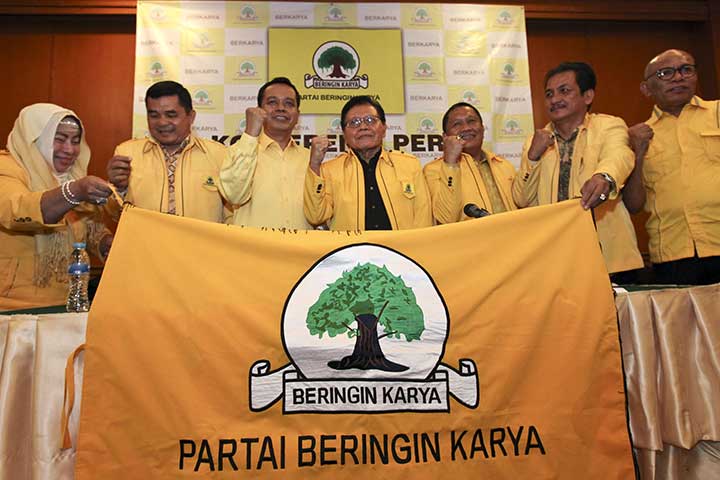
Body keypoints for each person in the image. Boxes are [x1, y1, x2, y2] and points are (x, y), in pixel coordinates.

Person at [512, 62, 643, 279]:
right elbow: (521, 199)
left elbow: (619, 155)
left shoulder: (608, 126)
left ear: (588, 96)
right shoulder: (535, 141)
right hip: (556, 260)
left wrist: (604, 177)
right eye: (549, 94)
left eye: (564, 91)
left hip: (609, 260)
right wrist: (533, 157)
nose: (554, 99)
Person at [0, 103, 113, 311]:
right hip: (12, 308)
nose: (69, 150)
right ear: (35, 140)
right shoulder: (6, 168)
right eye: (59, 139)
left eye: (75, 141)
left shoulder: (72, 176)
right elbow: (16, 210)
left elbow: (87, 226)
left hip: (67, 302)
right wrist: (73, 192)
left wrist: (105, 243)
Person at [624, 49, 720, 285]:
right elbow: (633, 205)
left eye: (686, 70)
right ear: (646, 89)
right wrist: (637, 153)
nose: (678, 77)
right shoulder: (639, 135)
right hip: (673, 255)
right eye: (665, 73)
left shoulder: (717, 113)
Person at [106, 81, 228, 222]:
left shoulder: (219, 155)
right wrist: (119, 188)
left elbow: (232, 215)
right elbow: (114, 215)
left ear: (191, 116)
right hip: (145, 237)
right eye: (154, 115)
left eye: (171, 115)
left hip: (200, 238)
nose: (162, 122)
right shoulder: (127, 153)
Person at [304, 96, 432, 230]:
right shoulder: (330, 170)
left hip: (400, 244)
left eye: (370, 120)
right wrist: (315, 164)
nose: (363, 127)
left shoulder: (409, 165)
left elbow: (423, 219)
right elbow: (316, 216)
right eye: (354, 122)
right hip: (352, 244)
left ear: (384, 128)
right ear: (344, 134)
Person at [219, 77, 325, 229]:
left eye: (289, 104)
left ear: (297, 115)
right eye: (272, 102)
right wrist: (250, 134)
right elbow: (234, 195)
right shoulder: (237, 151)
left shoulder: (311, 159)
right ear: (259, 111)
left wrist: (314, 164)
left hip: (300, 244)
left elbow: (318, 215)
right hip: (255, 244)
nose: (281, 108)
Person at [423, 102, 516, 223]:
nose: (466, 128)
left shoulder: (504, 165)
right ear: (445, 137)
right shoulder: (433, 170)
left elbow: (524, 203)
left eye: (471, 121)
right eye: (457, 124)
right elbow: (446, 218)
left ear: (482, 128)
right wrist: (450, 163)